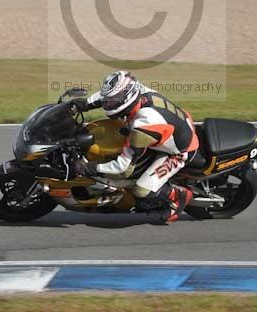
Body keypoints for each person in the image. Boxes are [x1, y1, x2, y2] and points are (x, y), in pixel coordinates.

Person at [71, 71, 199, 223]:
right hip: (176, 124)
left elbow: (123, 169)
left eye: (112, 101)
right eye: (108, 100)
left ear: (126, 98)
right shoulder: (140, 91)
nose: (108, 103)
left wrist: (89, 168)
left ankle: (179, 196)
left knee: (141, 191)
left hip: (179, 151)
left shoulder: (142, 125)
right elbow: (109, 95)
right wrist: (85, 104)